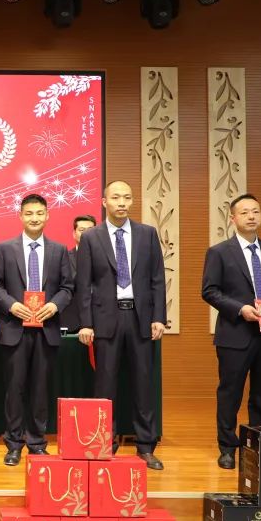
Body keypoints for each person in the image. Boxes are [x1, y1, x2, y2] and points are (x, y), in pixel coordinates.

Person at [76, 181, 167, 471]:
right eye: (116, 197)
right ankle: (105, 443)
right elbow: (83, 285)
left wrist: (158, 317)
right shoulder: (91, 237)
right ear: (104, 202)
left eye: (127, 197)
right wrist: (86, 323)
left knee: (143, 384)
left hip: (140, 318)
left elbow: (157, 279)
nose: (122, 203)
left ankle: (146, 446)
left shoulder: (147, 234)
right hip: (106, 319)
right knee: (105, 385)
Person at [201, 194, 261, 469]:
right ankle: (227, 448)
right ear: (233, 218)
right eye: (244, 212)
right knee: (230, 393)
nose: (251, 216)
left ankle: (258, 445)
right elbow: (210, 291)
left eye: (255, 211)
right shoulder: (219, 252)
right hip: (235, 333)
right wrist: (240, 309)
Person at [0, 194, 73, 466]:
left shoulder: (59, 250)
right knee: (14, 389)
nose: (34, 218)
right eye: (29, 213)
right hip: (15, 328)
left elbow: (67, 287)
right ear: (20, 216)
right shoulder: (4, 249)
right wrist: (12, 305)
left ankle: (37, 442)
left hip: (46, 328)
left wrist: (54, 305)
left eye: (39, 213)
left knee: (40, 389)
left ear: (47, 215)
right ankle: (13, 444)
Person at [59, 215, 98, 333]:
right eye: (82, 230)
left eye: (90, 230)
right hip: (71, 322)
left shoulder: (107, 258)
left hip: (101, 320)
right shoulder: (64, 257)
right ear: (74, 234)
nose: (86, 234)